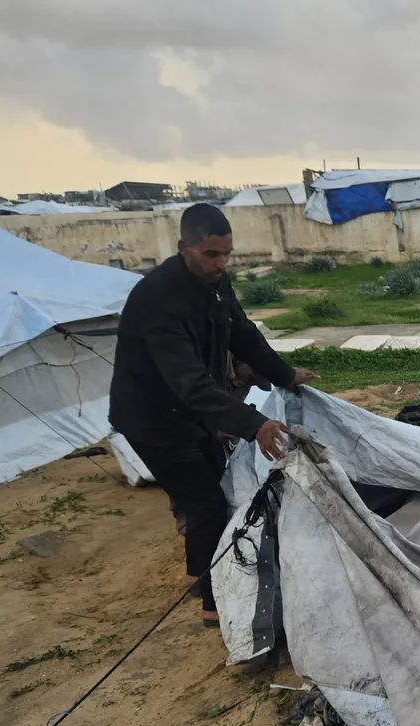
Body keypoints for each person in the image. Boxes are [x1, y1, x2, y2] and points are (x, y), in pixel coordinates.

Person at [109, 203, 316, 628]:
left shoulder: (216, 286)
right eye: (211, 255)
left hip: (190, 412)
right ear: (184, 247)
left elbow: (243, 334)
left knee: (215, 486)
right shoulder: (157, 298)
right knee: (205, 502)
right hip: (153, 419)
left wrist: (285, 374)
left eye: (227, 255)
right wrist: (253, 423)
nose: (221, 264)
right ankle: (214, 605)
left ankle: (196, 574)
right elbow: (188, 382)